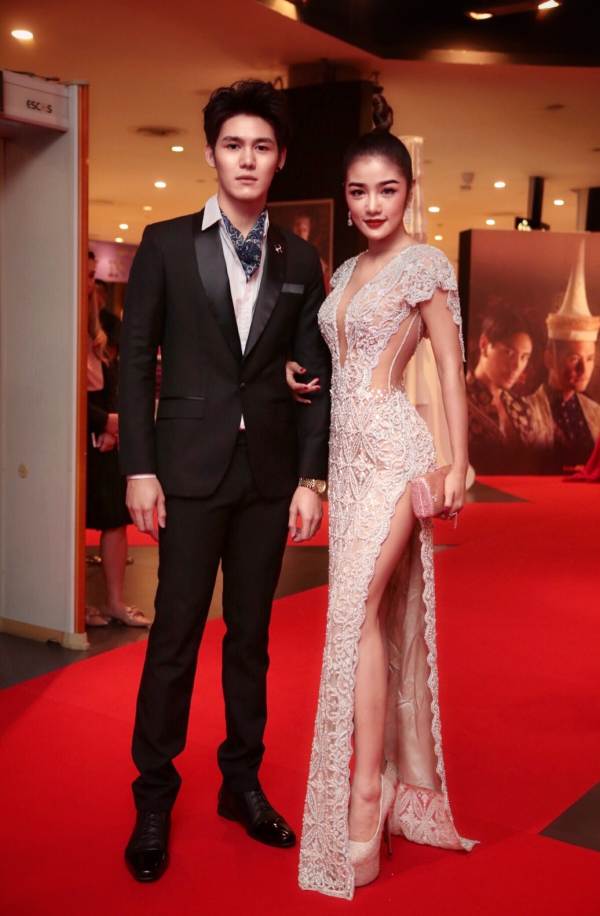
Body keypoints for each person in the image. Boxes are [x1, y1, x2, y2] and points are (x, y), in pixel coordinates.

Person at [118, 80, 331, 883]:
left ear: (280, 159)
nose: (247, 159)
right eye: (234, 145)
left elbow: (317, 373)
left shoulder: (300, 258)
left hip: (268, 476)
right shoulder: (166, 244)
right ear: (211, 153)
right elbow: (135, 360)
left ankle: (241, 782)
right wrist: (139, 465)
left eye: (262, 147)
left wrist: (311, 477)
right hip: (185, 470)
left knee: (251, 639)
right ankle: (153, 795)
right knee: (174, 636)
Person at [296, 94, 475, 901]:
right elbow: (337, 360)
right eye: (359, 192)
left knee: (354, 612)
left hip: (397, 454)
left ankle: (365, 793)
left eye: (387, 190)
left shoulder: (425, 266)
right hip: (346, 460)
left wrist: (456, 464)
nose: (372, 204)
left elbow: (449, 370)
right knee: (359, 615)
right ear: (347, 198)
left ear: (409, 191)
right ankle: (377, 783)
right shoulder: (343, 274)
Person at [86, 251, 151, 628]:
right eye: (85, 275)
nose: (91, 283)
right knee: (71, 521)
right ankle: (71, 606)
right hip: (75, 436)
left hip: (104, 436)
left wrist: (112, 425)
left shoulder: (103, 327)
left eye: (93, 275)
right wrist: (104, 422)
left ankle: (114, 602)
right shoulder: (58, 322)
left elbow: (114, 382)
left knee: (114, 518)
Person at [526, 239, 600, 473]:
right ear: (549, 357)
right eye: (574, 358)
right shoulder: (526, 411)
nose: (584, 370)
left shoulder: (596, 414)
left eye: (590, 359)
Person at [466, 305, 534, 473]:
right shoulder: (457, 400)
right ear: (484, 345)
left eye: (524, 357)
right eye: (509, 353)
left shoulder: (522, 407)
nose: (517, 366)